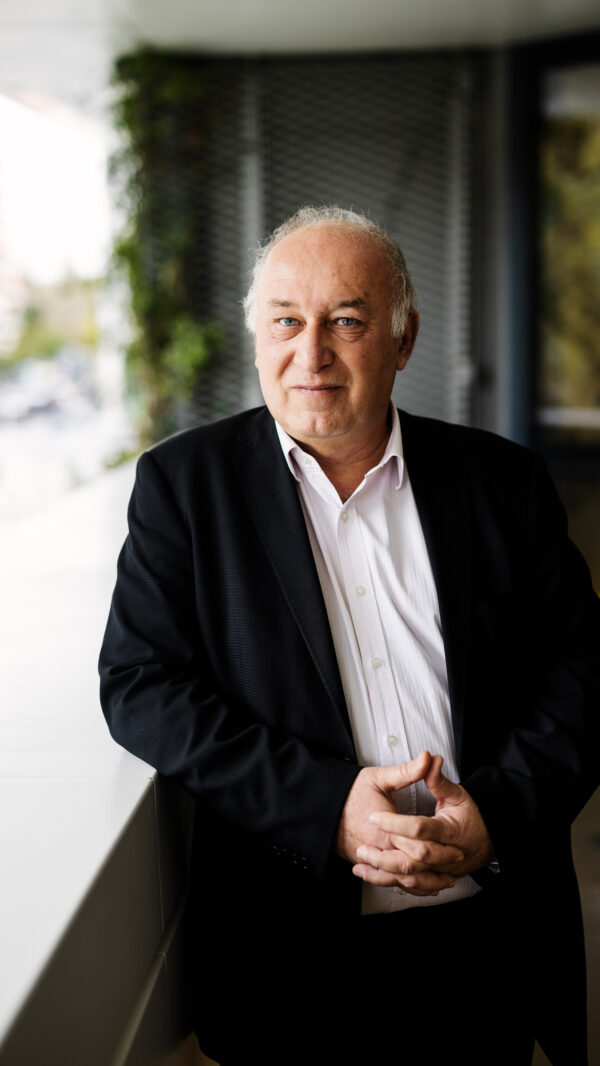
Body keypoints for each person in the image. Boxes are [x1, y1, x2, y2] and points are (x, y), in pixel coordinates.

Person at [99, 206, 600, 1066]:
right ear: (257, 337)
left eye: (347, 321)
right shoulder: (184, 487)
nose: (312, 353)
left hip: (487, 941)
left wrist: (498, 812)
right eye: (286, 322)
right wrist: (327, 808)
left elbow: (584, 669)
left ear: (404, 340)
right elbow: (141, 686)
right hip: (288, 953)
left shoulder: (503, 481)